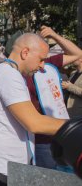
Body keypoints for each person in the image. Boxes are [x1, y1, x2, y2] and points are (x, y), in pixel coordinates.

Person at [0, 33, 66, 186]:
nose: (42, 66)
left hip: (5, 165)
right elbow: (34, 123)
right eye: (41, 60)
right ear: (25, 52)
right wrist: (73, 128)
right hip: (1, 168)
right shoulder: (8, 76)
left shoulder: (7, 73)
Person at [23, 26, 82, 169]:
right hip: (38, 138)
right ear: (26, 53)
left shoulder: (49, 65)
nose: (42, 63)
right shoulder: (18, 72)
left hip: (59, 135)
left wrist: (55, 35)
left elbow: (78, 53)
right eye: (40, 57)